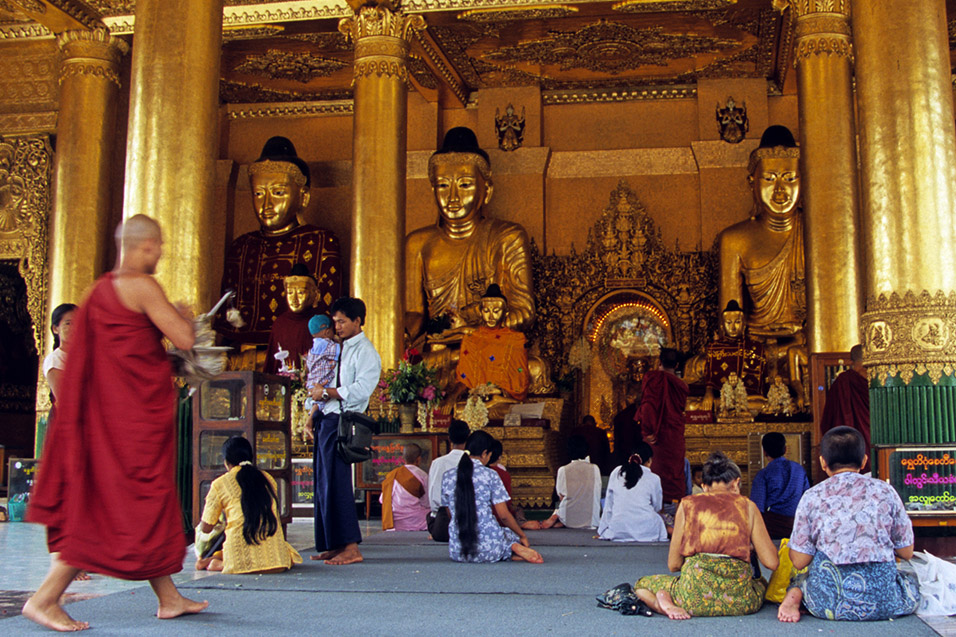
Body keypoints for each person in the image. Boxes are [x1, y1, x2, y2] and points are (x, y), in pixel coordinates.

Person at [24, 214, 207, 631]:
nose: (160, 252)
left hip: (109, 422)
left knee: (145, 505)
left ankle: (169, 597)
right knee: (113, 512)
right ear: (143, 247)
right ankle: (45, 598)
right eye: (157, 245)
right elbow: (184, 340)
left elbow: (114, 359)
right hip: (127, 426)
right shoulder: (142, 286)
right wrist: (186, 316)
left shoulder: (98, 292)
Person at [777, 426, 919, 623]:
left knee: (799, 578)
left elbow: (800, 560)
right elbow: (906, 552)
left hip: (828, 603)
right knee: (911, 578)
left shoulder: (812, 496)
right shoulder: (886, 491)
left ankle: (795, 595)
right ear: (864, 461)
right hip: (884, 602)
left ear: (822, 462)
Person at [217, 136, 341, 344]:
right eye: (258, 193)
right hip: (246, 356)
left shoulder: (321, 242)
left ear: (303, 197)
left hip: (303, 351)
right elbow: (226, 321)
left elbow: (328, 319)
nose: (266, 204)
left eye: (278, 193)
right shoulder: (242, 247)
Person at [634, 451, 778, 619]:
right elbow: (772, 562)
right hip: (741, 602)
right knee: (761, 584)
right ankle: (665, 602)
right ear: (736, 483)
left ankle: (662, 605)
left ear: (703, 486)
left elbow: (673, 565)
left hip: (691, 599)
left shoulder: (687, 505)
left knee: (642, 584)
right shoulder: (748, 506)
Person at [306, 296, 382, 565]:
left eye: (342, 321)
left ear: (358, 321)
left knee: (337, 483)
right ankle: (332, 543)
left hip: (343, 421)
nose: (336, 326)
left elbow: (361, 389)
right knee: (323, 484)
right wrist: (312, 413)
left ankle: (351, 546)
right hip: (325, 419)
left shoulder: (366, 352)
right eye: (334, 321)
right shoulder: (336, 348)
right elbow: (323, 380)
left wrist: (326, 392)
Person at [196, 436, 302, 573]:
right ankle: (214, 561)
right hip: (277, 562)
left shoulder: (220, 484)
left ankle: (216, 563)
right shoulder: (267, 478)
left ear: (226, 462)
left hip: (238, 562)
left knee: (225, 533)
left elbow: (206, 528)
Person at [40, 303, 92, 583]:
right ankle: (66, 558)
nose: (74, 328)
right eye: (68, 323)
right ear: (56, 328)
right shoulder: (55, 360)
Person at [441, 429, 543, 564]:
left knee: (499, 533)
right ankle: (512, 547)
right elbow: (504, 516)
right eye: (489, 455)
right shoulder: (490, 475)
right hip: (490, 548)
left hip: (458, 550)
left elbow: (450, 513)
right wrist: (522, 535)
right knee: (508, 534)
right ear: (484, 454)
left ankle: (509, 552)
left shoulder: (448, 476)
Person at [637, 347, 689, 503]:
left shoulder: (653, 379)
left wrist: (648, 431)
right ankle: (675, 508)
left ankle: (655, 505)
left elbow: (648, 407)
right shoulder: (682, 386)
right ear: (677, 365)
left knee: (655, 470)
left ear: (659, 362)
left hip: (657, 437)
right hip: (674, 436)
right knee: (674, 471)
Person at [598, 442, 668, 542]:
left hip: (618, 527)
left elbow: (609, 504)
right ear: (649, 461)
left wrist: (603, 528)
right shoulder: (654, 478)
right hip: (647, 529)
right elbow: (657, 507)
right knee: (659, 519)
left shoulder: (617, 472)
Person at [819, 344, 870, 472]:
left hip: (846, 450)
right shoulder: (878, 379)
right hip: (878, 445)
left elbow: (827, 421)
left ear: (851, 361)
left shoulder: (843, 381)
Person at [749, 432, 809, 539]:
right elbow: (807, 500)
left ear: (764, 452)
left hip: (771, 530)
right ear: (785, 449)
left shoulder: (763, 475)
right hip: (796, 528)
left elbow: (756, 509)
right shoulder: (799, 470)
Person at [264, 264, 322, 375]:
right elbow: (272, 364)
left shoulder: (319, 323)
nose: (294, 299)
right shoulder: (280, 324)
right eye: (290, 293)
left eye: (301, 293)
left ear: (315, 295)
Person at [539, 435, 601, 530]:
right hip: (592, 521)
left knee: (564, 505)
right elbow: (597, 492)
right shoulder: (595, 468)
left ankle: (556, 516)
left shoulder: (563, 470)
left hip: (568, 519)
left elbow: (561, 496)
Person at [427, 419, 470, 542]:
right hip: (469, 521)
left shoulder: (438, 463)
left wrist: (436, 515)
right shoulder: (473, 463)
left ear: (449, 438)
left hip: (443, 525)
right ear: (468, 438)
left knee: (429, 516)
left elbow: (433, 496)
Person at [487, 438, 540, 530]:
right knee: (517, 510)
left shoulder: (477, 472)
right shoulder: (502, 473)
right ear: (499, 457)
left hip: (484, 516)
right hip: (500, 515)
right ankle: (520, 523)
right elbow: (507, 501)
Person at [379, 444, 430, 532]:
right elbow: (426, 502)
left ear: (403, 458)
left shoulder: (392, 475)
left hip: (393, 521)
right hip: (415, 520)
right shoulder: (422, 475)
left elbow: (382, 500)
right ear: (419, 459)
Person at [303, 314, 339, 418]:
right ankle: (312, 417)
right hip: (322, 378)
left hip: (312, 380)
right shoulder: (328, 344)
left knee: (315, 400)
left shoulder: (314, 346)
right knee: (322, 398)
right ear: (326, 331)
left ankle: (311, 416)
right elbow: (340, 351)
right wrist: (340, 342)